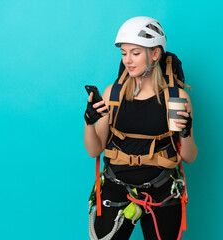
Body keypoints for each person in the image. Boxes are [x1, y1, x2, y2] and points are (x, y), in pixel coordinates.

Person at [84, 16, 198, 240]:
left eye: (135, 53)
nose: (128, 60)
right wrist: (89, 122)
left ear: (155, 54)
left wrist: (185, 134)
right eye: (124, 53)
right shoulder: (112, 95)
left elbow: (190, 156)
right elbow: (94, 151)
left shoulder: (176, 98)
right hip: (116, 187)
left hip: (162, 190)